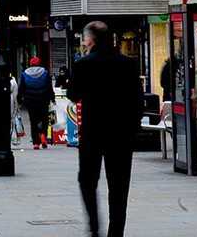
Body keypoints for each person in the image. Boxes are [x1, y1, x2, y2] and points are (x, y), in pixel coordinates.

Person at [67, 21, 142, 237]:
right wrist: (132, 127)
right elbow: (137, 99)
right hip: (121, 134)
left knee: (87, 180)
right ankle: (116, 231)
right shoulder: (128, 63)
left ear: (90, 40)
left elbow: (73, 94)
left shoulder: (84, 64)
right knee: (119, 186)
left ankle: (94, 225)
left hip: (93, 132)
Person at [19, 56, 54, 150]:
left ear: (30, 64)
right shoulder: (45, 73)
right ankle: (43, 134)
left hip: (30, 102)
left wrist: (19, 101)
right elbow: (49, 87)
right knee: (44, 120)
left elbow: (21, 88)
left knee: (33, 122)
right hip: (43, 100)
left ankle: (35, 142)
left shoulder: (25, 74)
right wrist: (53, 98)